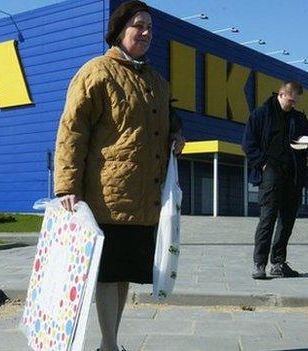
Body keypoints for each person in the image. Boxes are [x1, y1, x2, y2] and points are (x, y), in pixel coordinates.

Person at [54, 1, 184, 350]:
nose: (145, 33)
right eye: (138, 25)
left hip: (143, 199)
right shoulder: (97, 72)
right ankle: (110, 345)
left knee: (124, 274)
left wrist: (177, 134)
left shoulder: (157, 81)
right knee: (108, 274)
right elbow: (72, 130)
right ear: (119, 30)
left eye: (150, 28)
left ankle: (109, 343)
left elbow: (168, 119)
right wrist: (67, 185)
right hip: (106, 195)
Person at [242, 81, 308, 280]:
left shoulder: (299, 117)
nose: (293, 104)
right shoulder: (261, 114)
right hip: (270, 173)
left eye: (296, 100)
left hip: (294, 175)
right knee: (267, 219)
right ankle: (259, 264)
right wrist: (263, 164)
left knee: (287, 221)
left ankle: (278, 263)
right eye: (290, 99)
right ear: (281, 94)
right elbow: (248, 144)